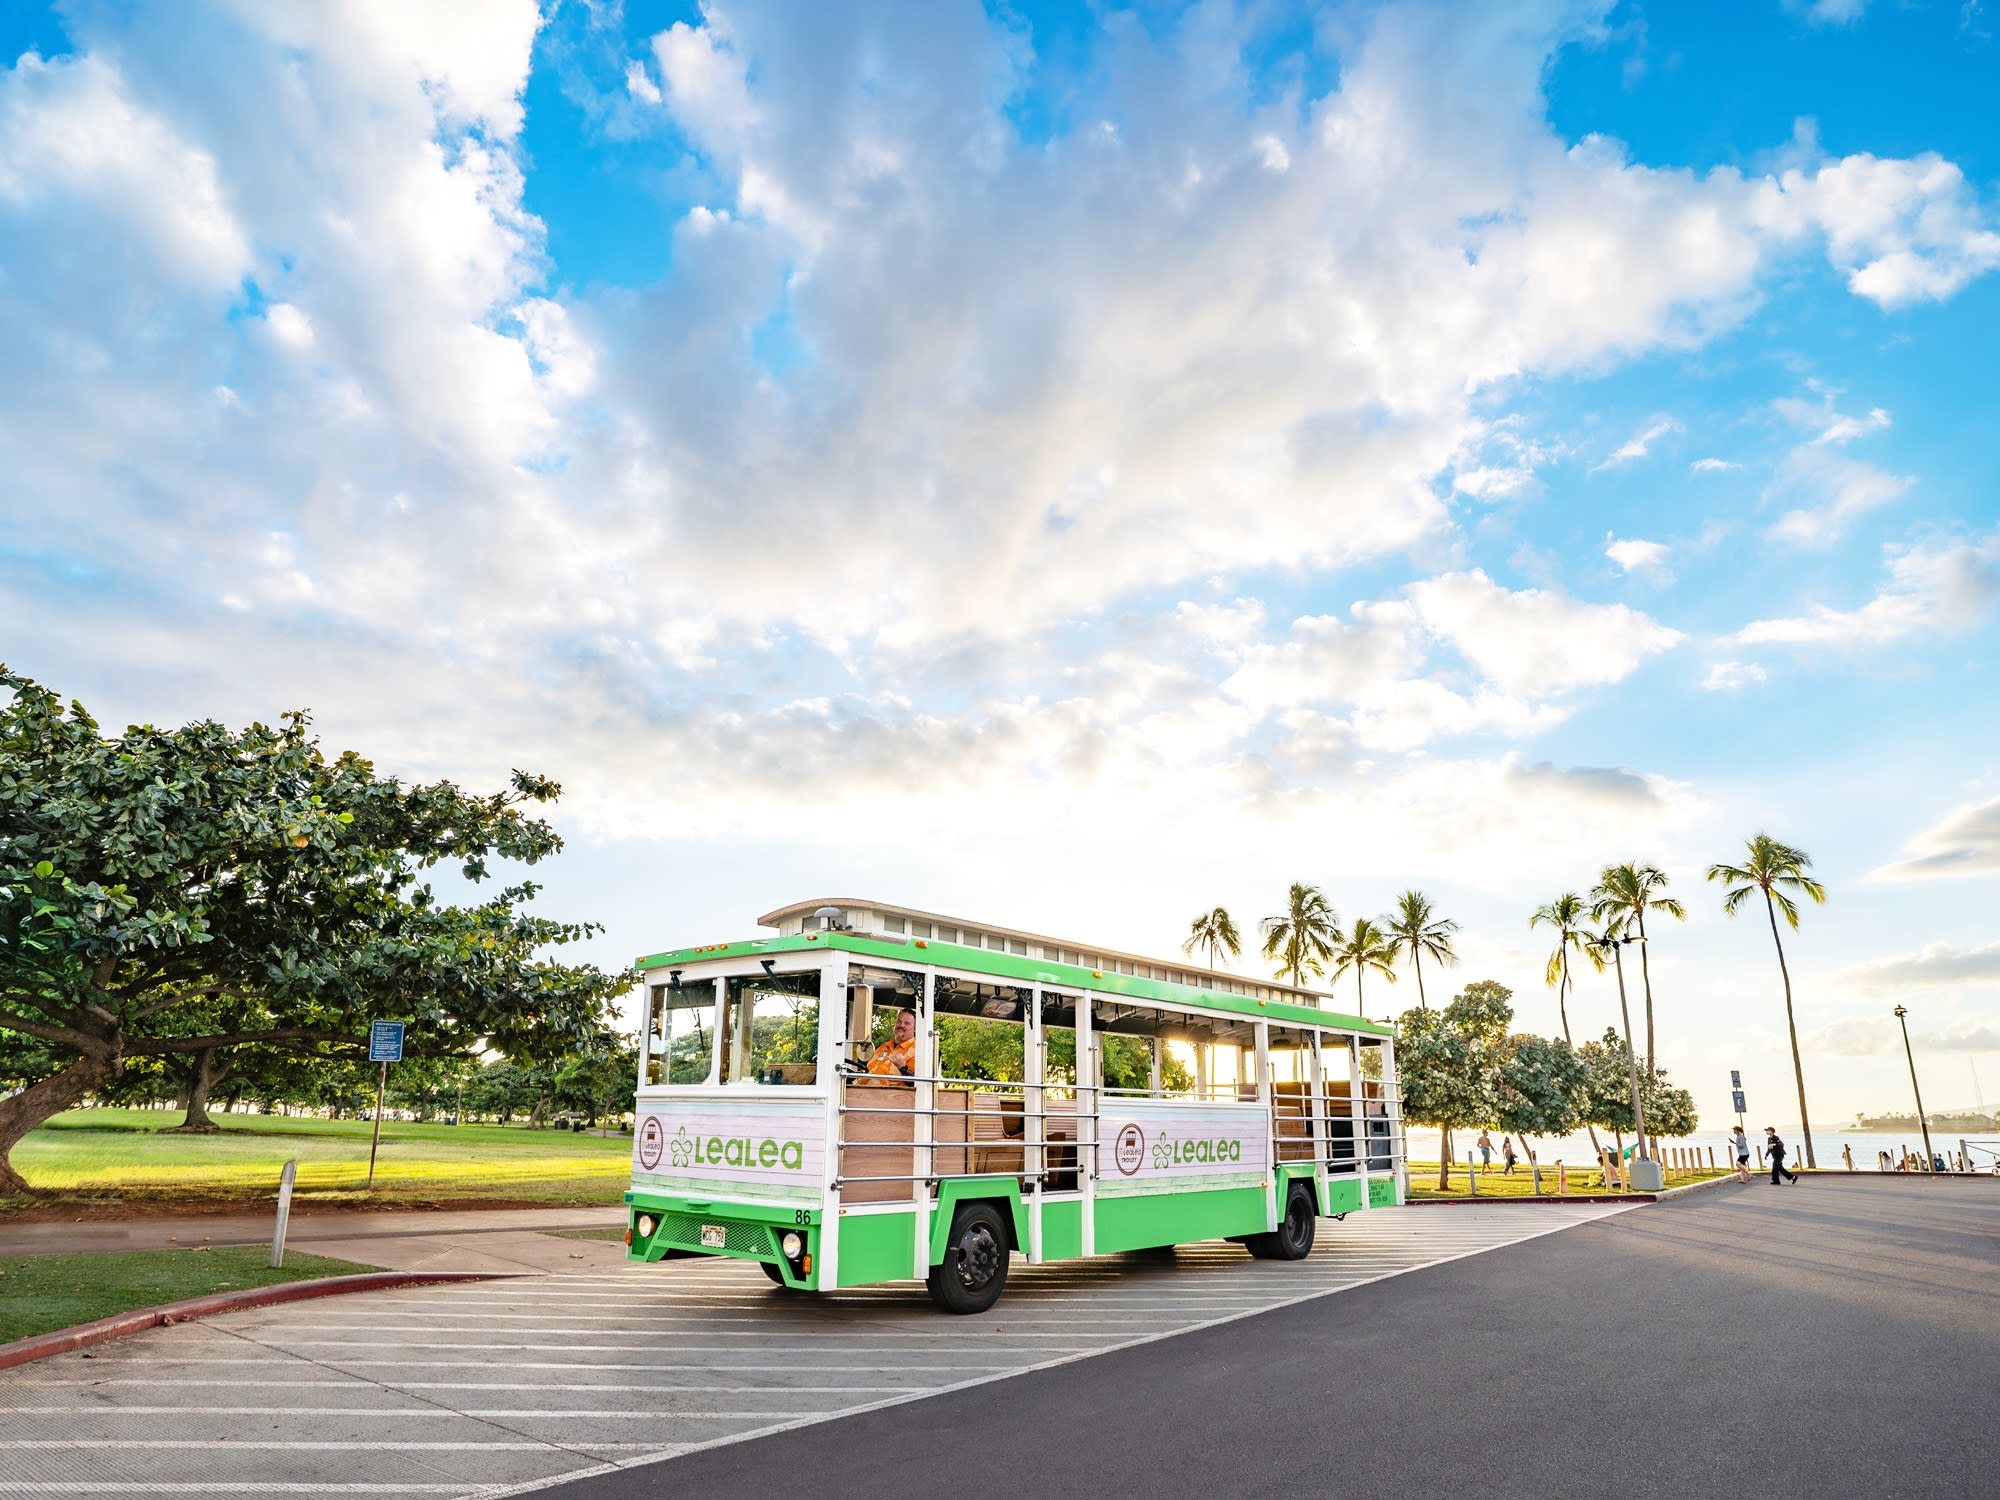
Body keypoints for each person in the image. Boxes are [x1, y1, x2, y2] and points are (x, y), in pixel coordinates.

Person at [858, 1007, 917, 1086]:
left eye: (907, 1023)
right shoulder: (884, 1047)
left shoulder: (918, 1050)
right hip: (859, 1092)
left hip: (890, 1096)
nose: (901, 1025)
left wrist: (903, 1068)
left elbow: (920, 1084)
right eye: (899, 1021)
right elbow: (868, 1070)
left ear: (915, 1029)